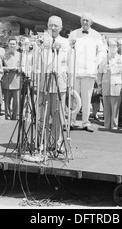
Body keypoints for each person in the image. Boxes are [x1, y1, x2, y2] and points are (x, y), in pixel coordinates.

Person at [68, 13, 107, 132]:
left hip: (89, 71)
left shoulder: (96, 35)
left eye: (87, 21)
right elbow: (69, 49)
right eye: (83, 20)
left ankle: (85, 122)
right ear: (80, 21)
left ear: (91, 23)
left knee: (87, 98)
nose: (85, 22)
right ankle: (71, 121)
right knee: (74, 97)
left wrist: (95, 62)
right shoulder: (74, 33)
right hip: (75, 71)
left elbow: (102, 51)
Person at [37, 15, 70, 152]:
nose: (53, 28)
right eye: (51, 25)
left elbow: (67, 62)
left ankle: (57, 142)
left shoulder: (66, 43)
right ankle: (42, 142)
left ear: (61, 28)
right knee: (43, 114)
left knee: (58, 115)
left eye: (56, 25)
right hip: (44, 84)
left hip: (59, 83)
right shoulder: (42, 42)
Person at [97, 39, 122, 130]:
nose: (112, 48)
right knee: (106, 109)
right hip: (106, 86)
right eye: (110, 46)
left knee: (115, 109)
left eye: (114, 46)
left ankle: (114, 126)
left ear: (118, 47)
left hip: (116, 86)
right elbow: (99, 73)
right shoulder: (104, 59)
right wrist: (99, 85)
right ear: (108, 47)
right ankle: (106, 126)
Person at [2, 38, 21, 120]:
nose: (12, 45)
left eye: (14, 44)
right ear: (8, 45)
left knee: (16, 100)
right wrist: (7, 68)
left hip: (16, 78)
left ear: (16, 45)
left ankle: (15, 115)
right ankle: (7, 115)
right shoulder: (4, 55)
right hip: (7, 79)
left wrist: (17, 68)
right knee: (6, 100)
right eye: (11, 44)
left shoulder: (20, 55)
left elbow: (23, 66)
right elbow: (0, 67)